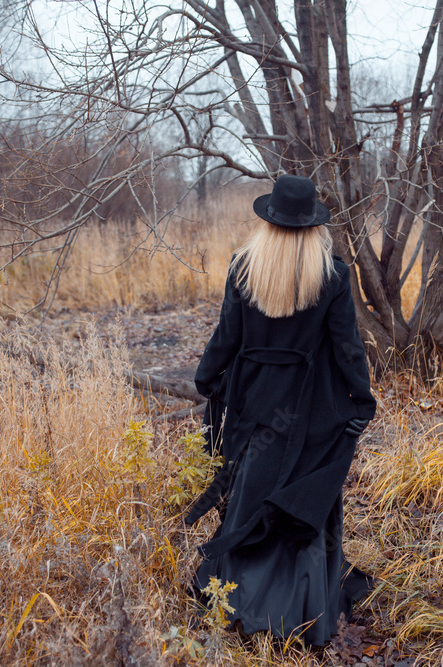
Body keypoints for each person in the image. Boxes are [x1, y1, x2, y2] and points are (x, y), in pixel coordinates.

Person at [184, 174, 377, 646]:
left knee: (252, 487)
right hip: (310, 408)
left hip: (253, 402)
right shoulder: (331, 274)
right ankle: (302, 610)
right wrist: (362, 400)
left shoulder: (243, 266)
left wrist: (208, 379)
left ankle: (235, 597)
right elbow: (348, 348)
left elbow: (226, 336)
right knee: (299, 495)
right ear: (314, 225)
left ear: (269, 220)